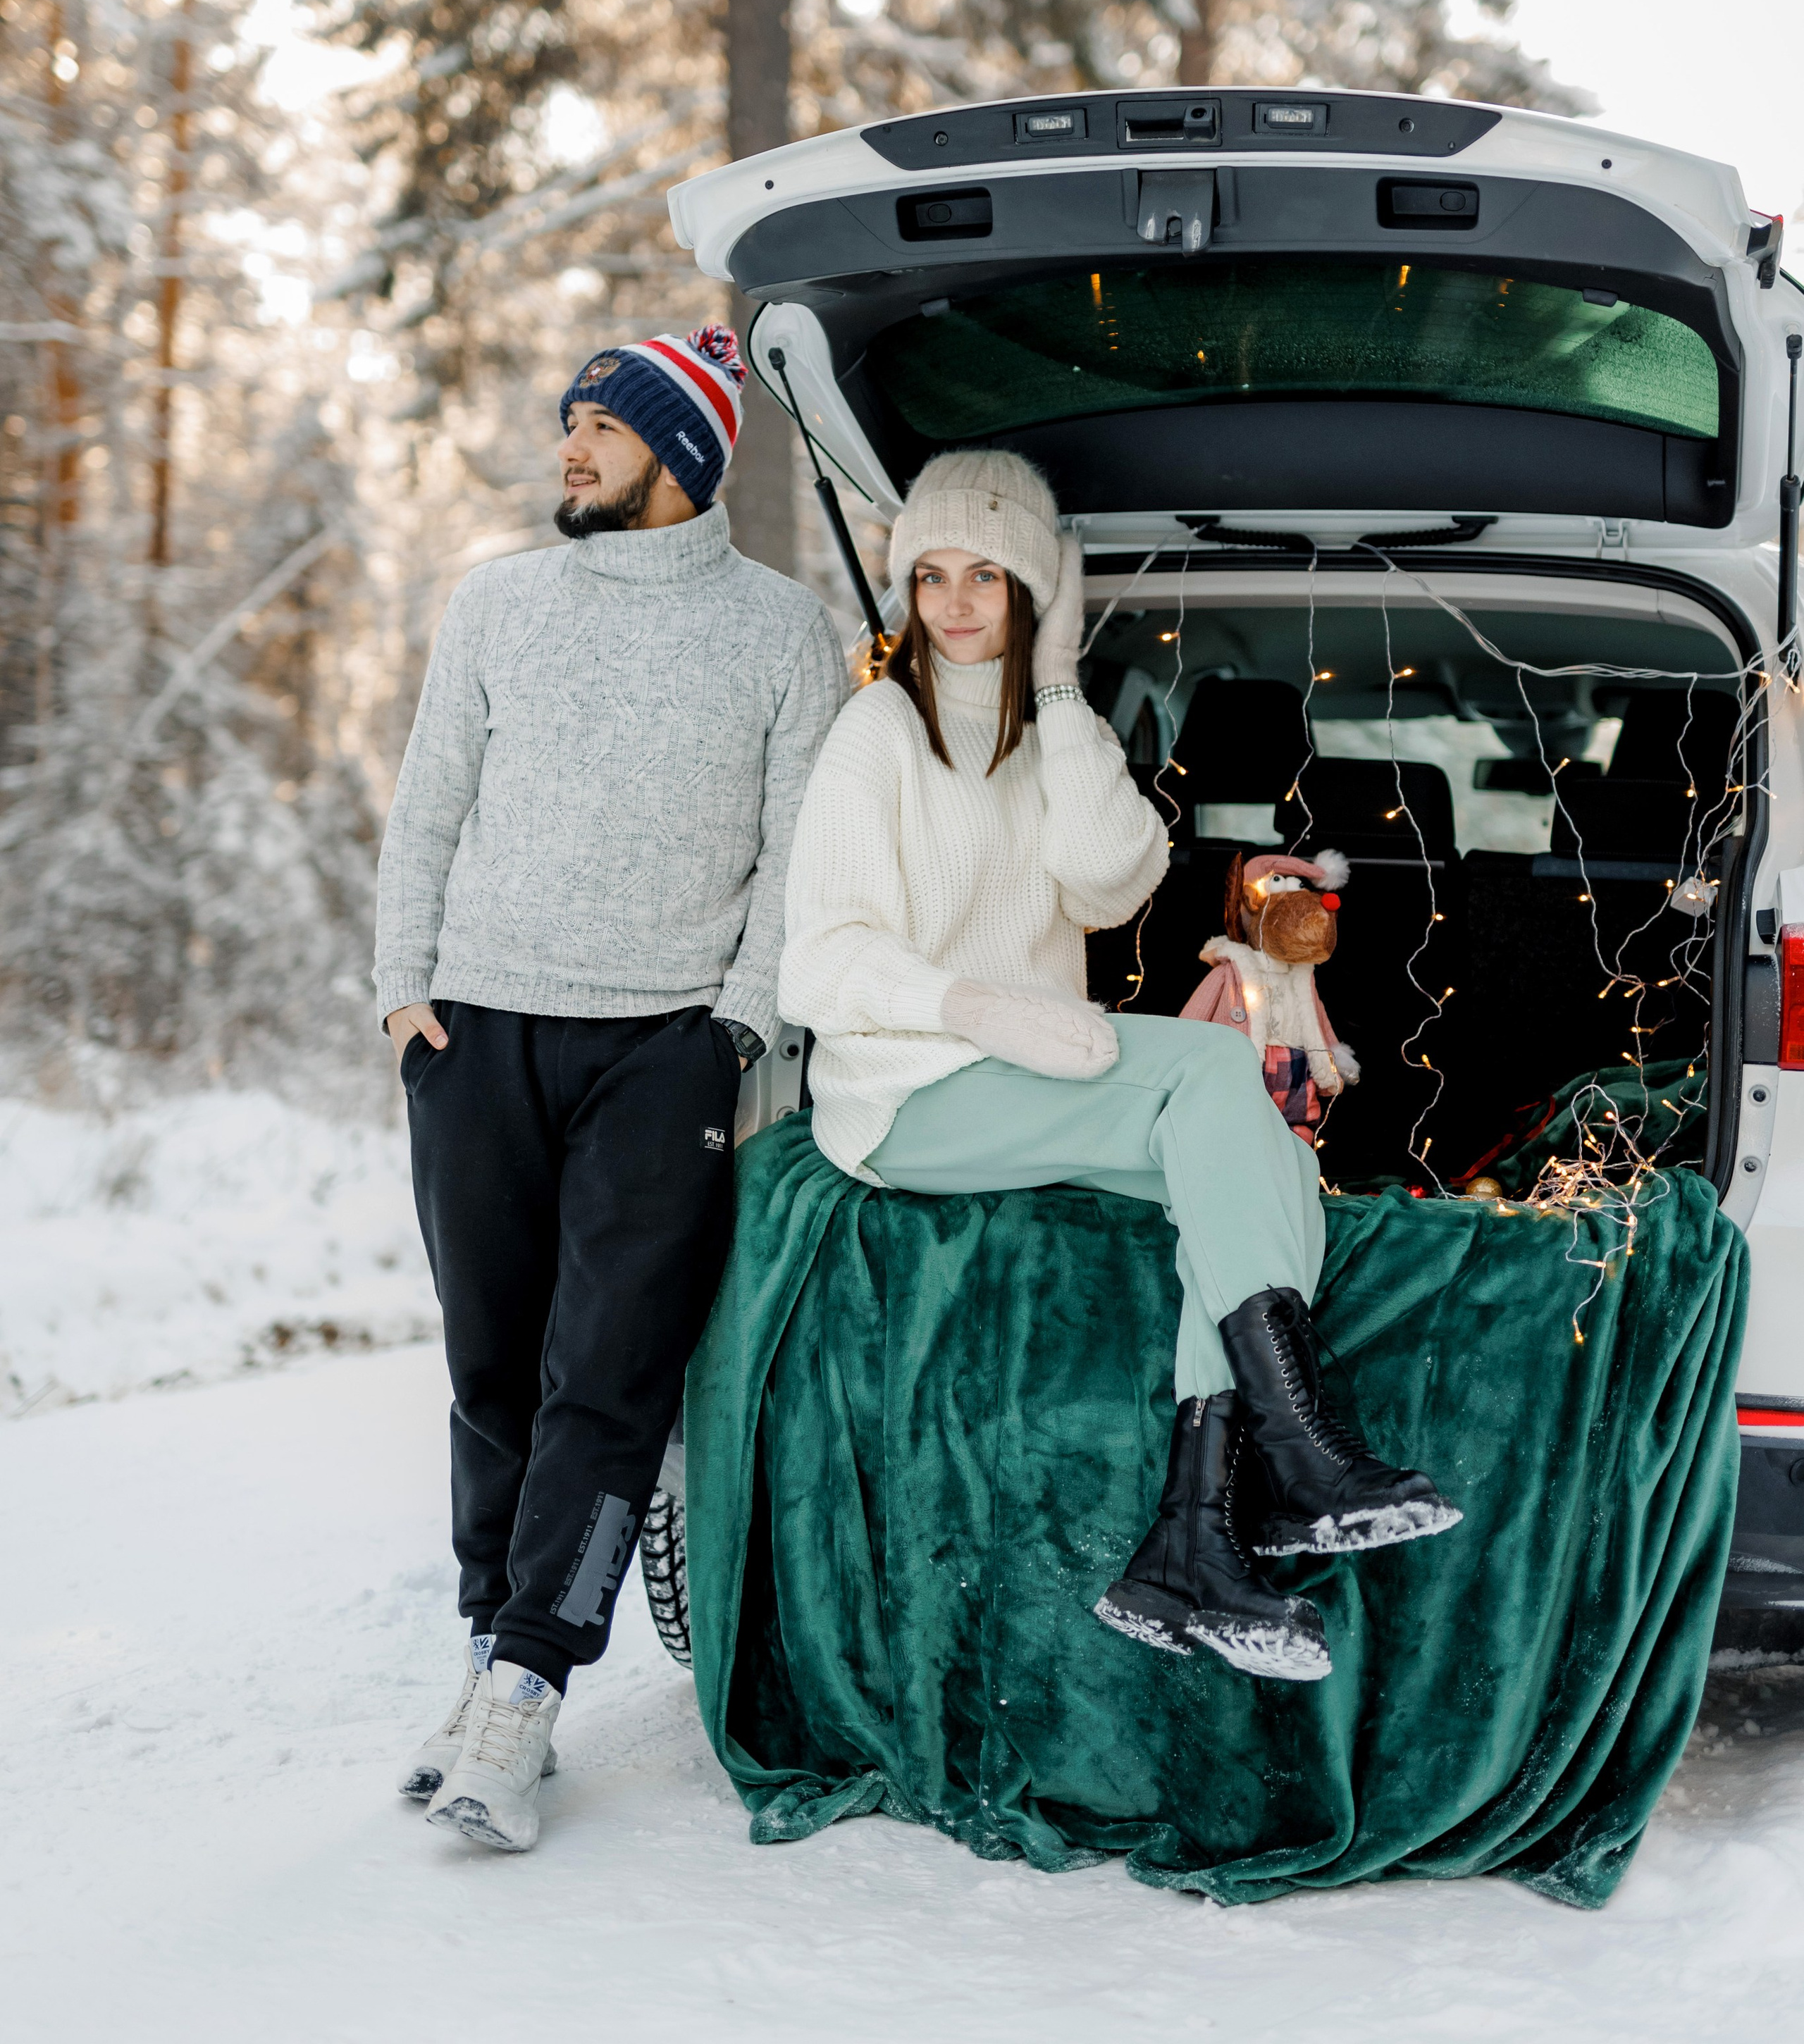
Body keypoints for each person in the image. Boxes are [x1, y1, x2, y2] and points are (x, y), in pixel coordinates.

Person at [778, 449, 1459, 1683]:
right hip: (906, 1095)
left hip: (1026, 1078)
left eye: (988, 573)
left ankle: (1192, 1545)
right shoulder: (875, 731)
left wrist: (1060, 698)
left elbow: (1115, 876)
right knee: (1210, 1076)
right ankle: (1300, 1459)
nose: (957, 602)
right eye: (931, 576)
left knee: (1264, 1170)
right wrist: (976, 1005)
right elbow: (818, 966)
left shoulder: (1048, 732)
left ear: (1035, 589)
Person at [377, 324, 844, 1850]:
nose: (568, 447)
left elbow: (793, 856)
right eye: (567, 421)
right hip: (475, 1040)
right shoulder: (497, 604)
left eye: (599, 425)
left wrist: (733, 1028)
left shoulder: (781, 633)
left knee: (607, 1380)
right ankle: (478, 1650)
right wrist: (404, 991)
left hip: (663, 1052)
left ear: (683, 455)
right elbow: (427, 804)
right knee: (490, 1374)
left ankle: (524, 1693)